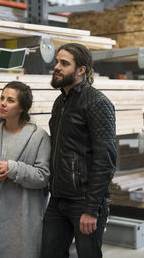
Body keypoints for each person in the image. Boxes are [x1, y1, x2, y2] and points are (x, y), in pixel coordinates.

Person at [41, 43, 117, 258]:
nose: (57, 67)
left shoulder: (97, 103)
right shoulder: (60, 102)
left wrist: (91, 209)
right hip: (57, 199)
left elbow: (106, 159)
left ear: (81, 70)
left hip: (84, 201)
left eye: (64, 63)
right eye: (57, 61)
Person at [0, 81, 51, 258]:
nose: (3, 103)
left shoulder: (38, 137)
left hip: (24, 218)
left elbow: (43, 176)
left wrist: (14, 168)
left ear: (22, 108)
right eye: (2, 98)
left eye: (10, 100)